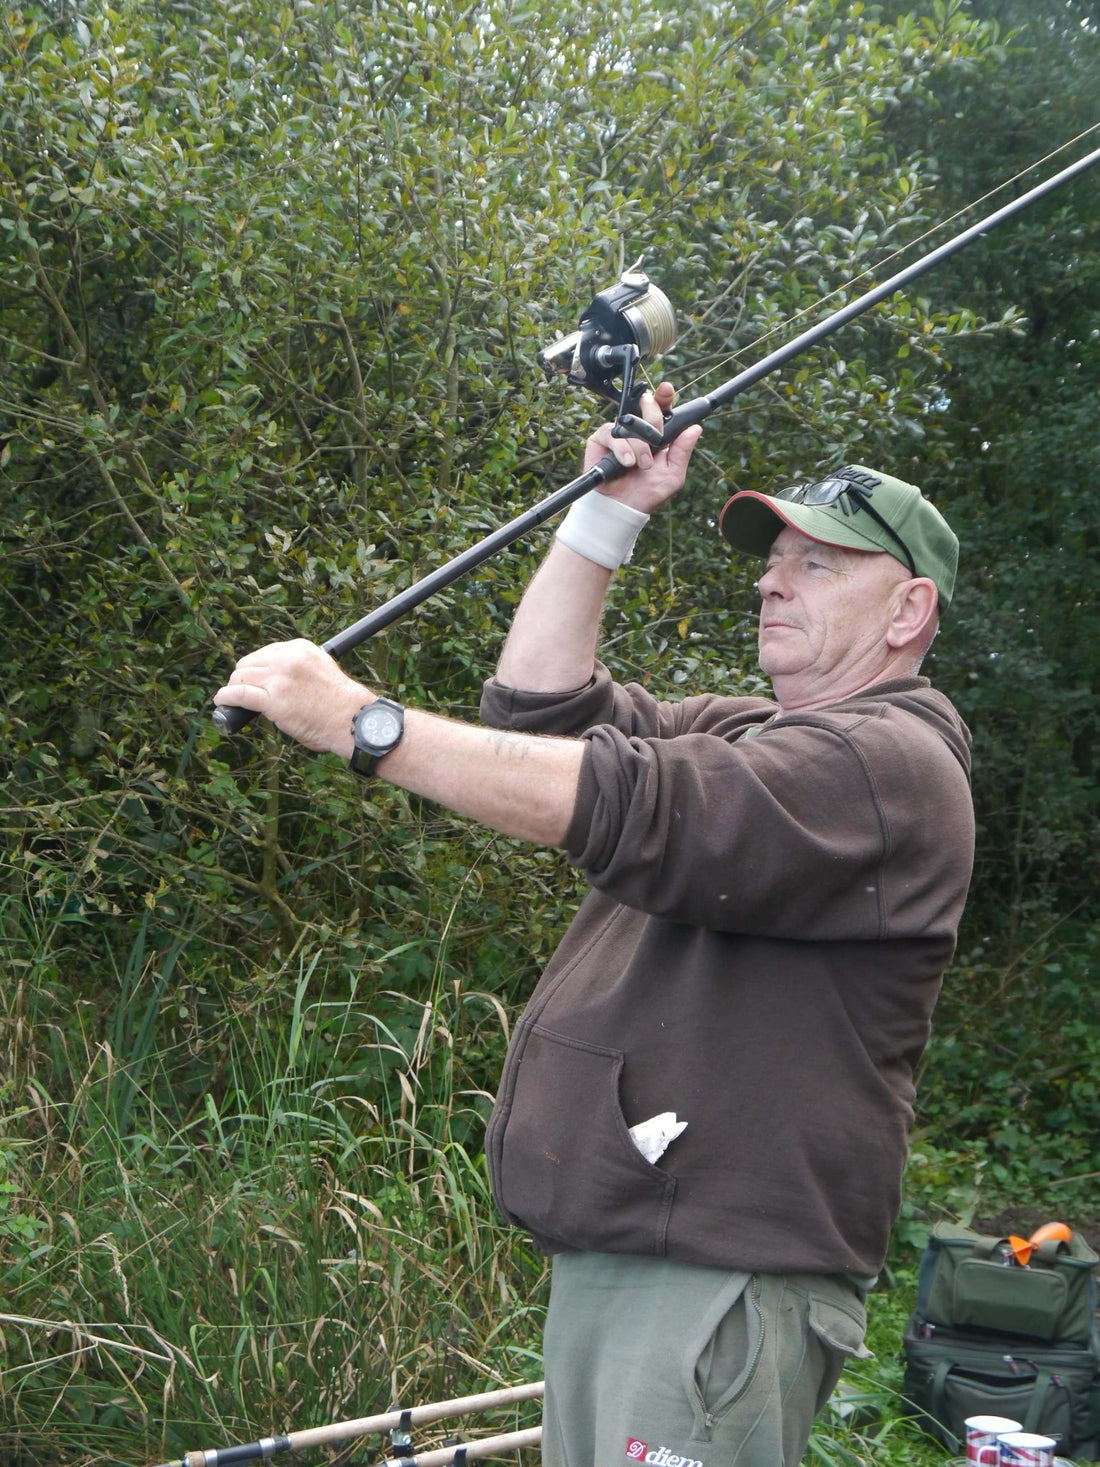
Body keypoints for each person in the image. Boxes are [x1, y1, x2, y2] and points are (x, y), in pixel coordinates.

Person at [215, 384, 975, 1467]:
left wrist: (361, 724)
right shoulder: (756, 733)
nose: (771, 580)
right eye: (773, 559)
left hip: (715, 1280)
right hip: (649, 1262)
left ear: (905, 612)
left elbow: (630, 805)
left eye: (819, 563)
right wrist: (605, 511)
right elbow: (540, 712)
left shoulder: (884, 767)